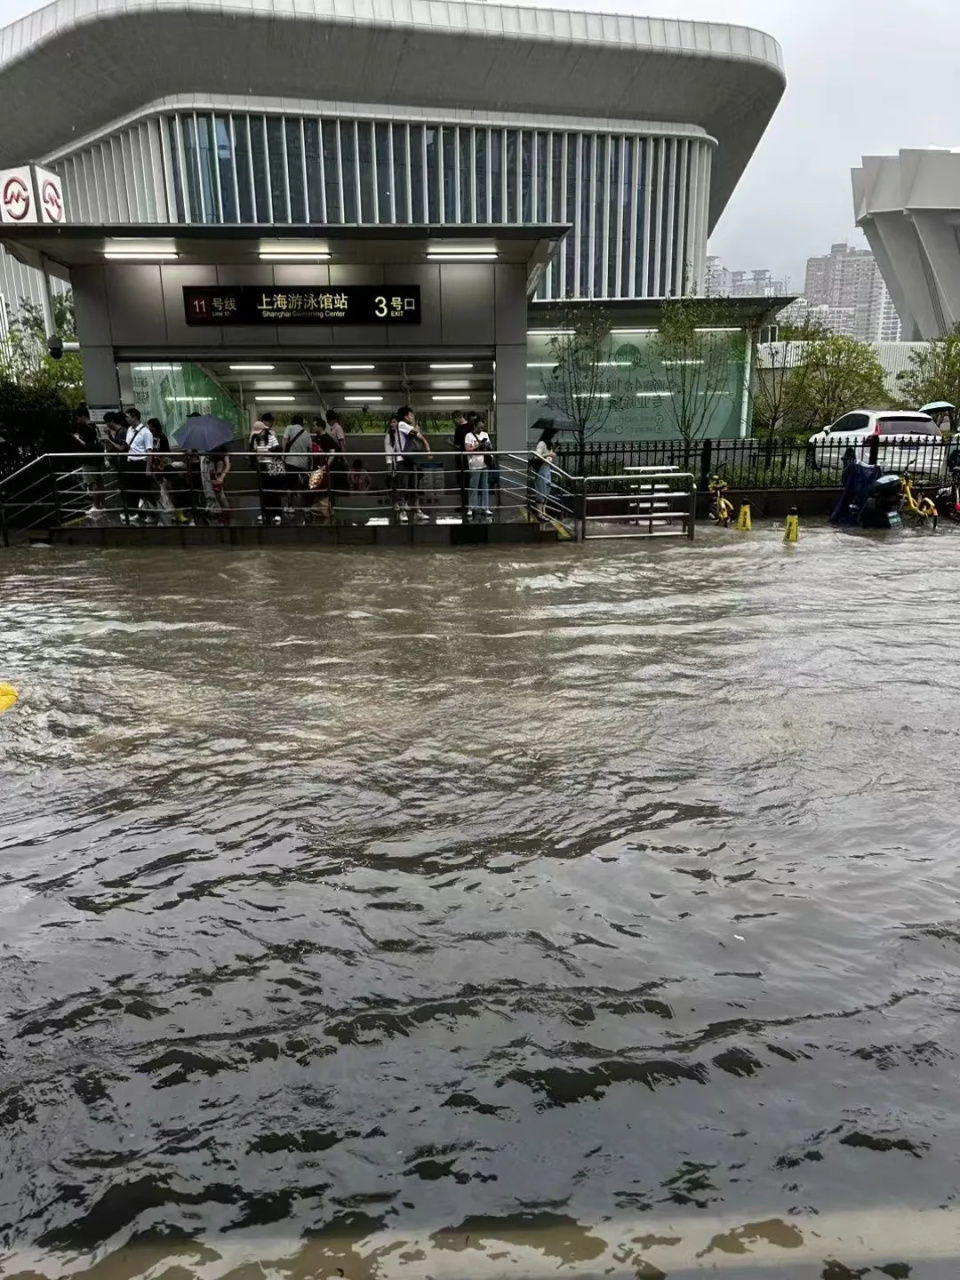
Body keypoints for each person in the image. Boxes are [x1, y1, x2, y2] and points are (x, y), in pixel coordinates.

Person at [394, 406, 431, 521]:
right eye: (411, 415)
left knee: (414, 486)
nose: (413, 417)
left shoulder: (408, 426)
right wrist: (415, 424)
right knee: (403, 486)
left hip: (411, 459)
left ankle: (417, 510)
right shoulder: (401, 424)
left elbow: (422, 438)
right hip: (402, 460)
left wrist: (428, 450)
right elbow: (417, 432)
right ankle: (402, 511)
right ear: (405, 416)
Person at [70, 404, 105, 513]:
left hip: (89, 459)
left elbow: (87, 445)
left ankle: (96, 505)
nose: (77, 420)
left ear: (82, 416)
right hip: (98, 458)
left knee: (92, 482)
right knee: (99, 481)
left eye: (77, 417)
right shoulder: (94, 426)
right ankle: (101, 505)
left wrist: (77, 438)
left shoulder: (86, 429)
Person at [250, 413, 284, 524]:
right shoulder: (255, 440)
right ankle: (265, 512)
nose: (258, 435)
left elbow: (278, 449)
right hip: (261, 466)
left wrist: (268, 451)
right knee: (263, 491)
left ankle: (277, 513)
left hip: (271, 465)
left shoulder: (271, 437)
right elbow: (254, 452)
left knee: (273, 490)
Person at [124, 408, 157, 521]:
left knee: (144, 490)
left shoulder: (146, 432)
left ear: (135, 417)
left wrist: (148, 469)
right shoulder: (129, 430)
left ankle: (152, 514)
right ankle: (137, 513)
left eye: (128, 416)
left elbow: (149, 452)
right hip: (130, 462)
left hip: (141, 463)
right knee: (132, 490)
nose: (127, 419)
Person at [282, 413, 312, 517]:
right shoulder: (307, 434)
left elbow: (285, 440)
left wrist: (283, 454)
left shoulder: (289, 428)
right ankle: (306, 506)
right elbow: (310, 450)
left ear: (292, 421)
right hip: (303, 464)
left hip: (291, 462)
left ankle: (290, 506)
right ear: (302, 423)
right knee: (304, 485)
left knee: (290, 485)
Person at [464, 418, 492, 520]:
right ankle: (471, 507)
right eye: (479, 427)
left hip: (484, 463)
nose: (481, 429)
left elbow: (490, 447)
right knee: (473, 487)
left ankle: (485, 507)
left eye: (482, 427)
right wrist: (477, 447)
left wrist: (487, 446)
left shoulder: (485, 435)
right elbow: (467, 449)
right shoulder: (469, 436)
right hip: (474, 464)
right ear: (474, 426)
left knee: (485, 486)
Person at [530, 421, 559, 517]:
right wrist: (548, 454)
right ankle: (540, 513)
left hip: (547, 468)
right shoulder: (542, 443)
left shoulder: (549, 444)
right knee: (541, 491)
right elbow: (536, 456)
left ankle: (544, 512)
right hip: (542, 468)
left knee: (546, 491)